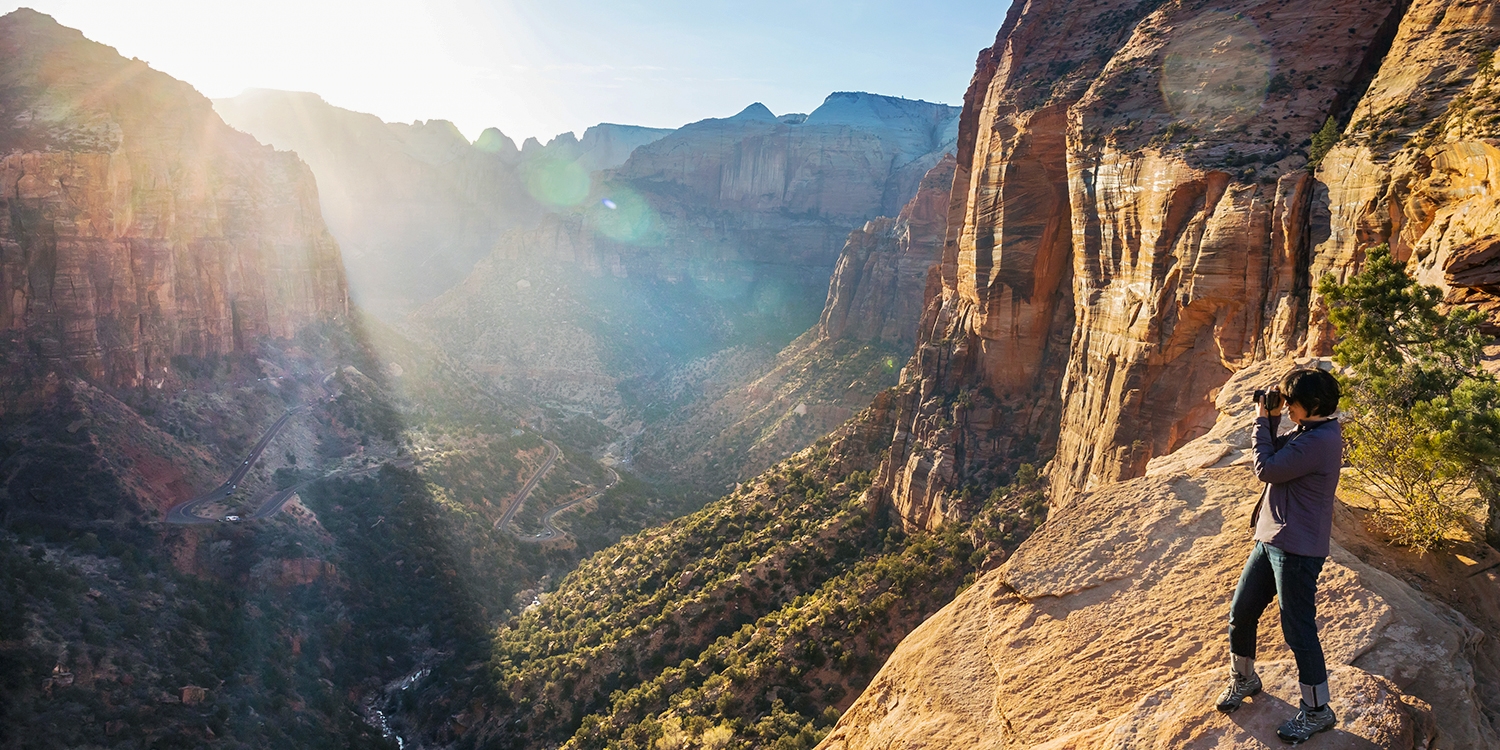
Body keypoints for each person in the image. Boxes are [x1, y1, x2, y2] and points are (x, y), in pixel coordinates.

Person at [1214, 367, 1344, 745]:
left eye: (1291, 401)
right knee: (1242, 612)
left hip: (1298, 550)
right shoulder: (1309, 431)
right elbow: (1275, 449)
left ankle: (1318, 710)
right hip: (1271, 540)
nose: (1286, 406)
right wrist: (1271, 419)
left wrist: (1261, 420)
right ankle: (1244, 678)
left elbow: (1267, 468)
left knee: (1298, 629)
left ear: (1313, 405)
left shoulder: (1320, 441)